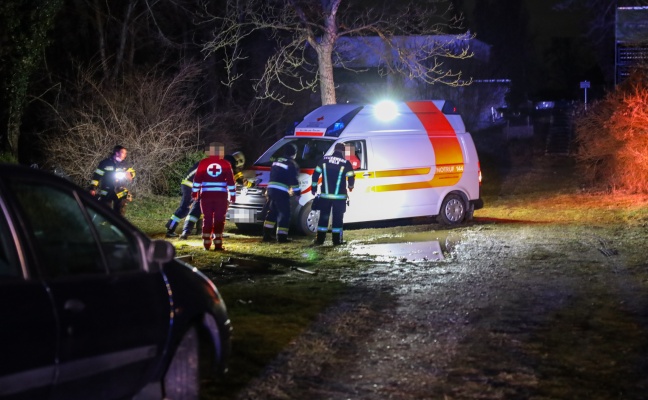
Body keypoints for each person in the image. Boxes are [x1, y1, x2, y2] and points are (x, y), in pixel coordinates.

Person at [192, 142, 236, 251]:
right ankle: (218, 245)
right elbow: (231, 181)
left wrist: (195, 192)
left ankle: (206, 244)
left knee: (207, 218)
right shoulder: (226, 164)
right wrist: (233, 195)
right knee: (219, 219)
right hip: (221, 196)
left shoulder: (203, 163)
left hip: (206, 196)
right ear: (220, 152)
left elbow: (197, 179)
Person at [311, 142, 355, 245]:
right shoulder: (345, 163)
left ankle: (320, 240)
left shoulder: (324, 160)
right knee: (338, 218)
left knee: (324, 217)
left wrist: (314, 188)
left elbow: (315, 174)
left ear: (334, 150)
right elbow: (351, 178)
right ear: (343, 151)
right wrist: (350, 187)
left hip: (325, 196)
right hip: (339, 197)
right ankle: (337, 240)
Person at [263, 143, 301, 243]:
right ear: (294, 153)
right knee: (285, 214)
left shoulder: (276, 161)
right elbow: (294, 180)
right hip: (281, 191)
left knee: (272, 212)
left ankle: (266, 235)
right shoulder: (291, 163)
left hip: (271, 189)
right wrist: (297, 193)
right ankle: (282, 237)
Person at [89, 145, 136, 215]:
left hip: (121, 190)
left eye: (126, 153)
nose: (125, 155)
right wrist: (93, 188)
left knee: (120, 212)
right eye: (123, 153)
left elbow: (132, 174)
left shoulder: (126, 164)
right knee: (105, 211)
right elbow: (97, 176)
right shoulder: (105, 163)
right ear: (117, 153)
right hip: (107, 190)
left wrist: (130, 175)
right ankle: (104, 224)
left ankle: (118, 224)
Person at [164, 158, 203, 239]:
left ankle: (171, 228)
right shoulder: (205, 164)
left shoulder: (203, 163)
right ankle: (170, 229)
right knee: (184, 209)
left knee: (188, 208)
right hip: (190, 186)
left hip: (189, 185)